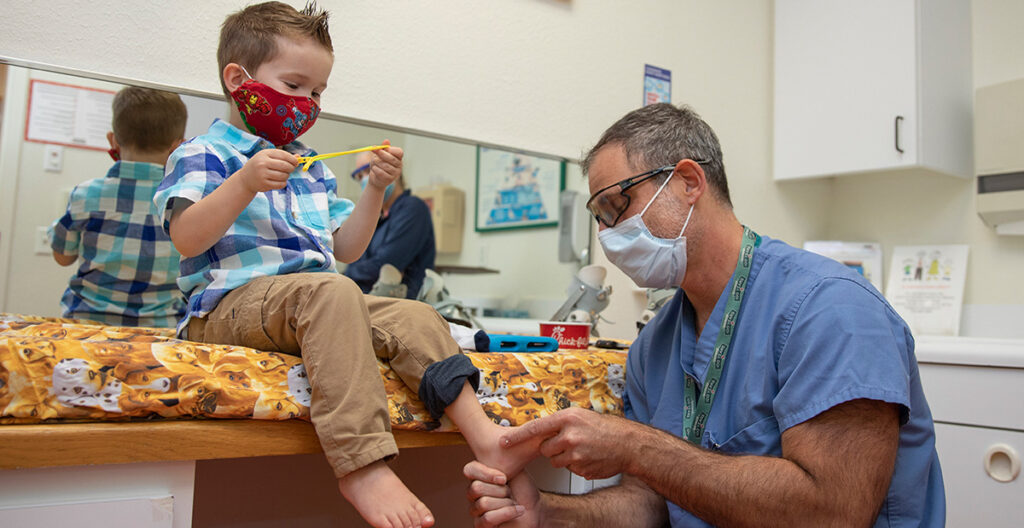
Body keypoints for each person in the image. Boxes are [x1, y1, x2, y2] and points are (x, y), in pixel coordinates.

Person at [464, 103, 945, 527]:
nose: (609, 235)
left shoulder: (832, 310)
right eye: (600, 216)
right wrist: (549, 513)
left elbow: (832, 514)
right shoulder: (655, 347)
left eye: (618, 206)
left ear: (689, 182)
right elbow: (653, 503)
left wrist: (637, 447)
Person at [153, 3, 537, 527]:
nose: (307, 103)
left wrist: (376, 189)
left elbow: (348, 249)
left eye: (317, 92)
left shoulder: (309, 165)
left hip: (307, 302)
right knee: (331, 293)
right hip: (227, 305)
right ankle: (362, 465)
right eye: (294, 85)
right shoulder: (204, 152)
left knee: (414, 316)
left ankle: (485, 436)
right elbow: (185, 237)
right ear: (238, 80)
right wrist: (243, 182)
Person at [48, 86, 187, 327]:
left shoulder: (86, 194)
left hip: (87, 326)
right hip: (161, 331)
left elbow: (63, 257)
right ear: (178, 147)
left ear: (113, 140)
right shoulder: (185, 202)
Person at [342, 151, 436, 299]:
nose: (365, 179)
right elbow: (355, 259)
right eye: (359, 176)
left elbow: (387, 265)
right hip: (368, 299)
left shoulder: (413, 208)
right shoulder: (376, 219)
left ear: (393, 169)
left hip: (402, 306)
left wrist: (349, 273)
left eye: (370, 170)